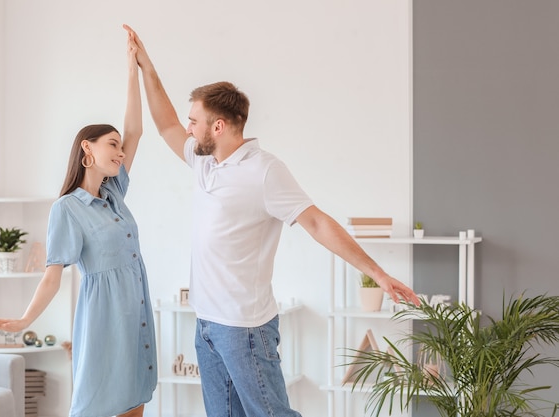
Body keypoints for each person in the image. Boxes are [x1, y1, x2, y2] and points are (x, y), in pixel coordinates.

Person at [126, 25, 419, 417]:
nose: (188, 127)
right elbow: (165, 125)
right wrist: (147, 66)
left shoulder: (264, 171)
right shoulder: (205, 162)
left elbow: (316, 223)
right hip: (207, 323)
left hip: (244, 330)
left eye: (195, 120)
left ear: (219, 126)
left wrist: (378, 274)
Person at [0, 25, 156, 417]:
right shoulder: (67, 209)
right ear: (87, 149)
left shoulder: (113, 195)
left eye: (120, 146)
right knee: (97, 406)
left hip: (136, 313)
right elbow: (52, 275)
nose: (121, 151)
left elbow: (136, 130)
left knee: (134, 406)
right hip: (104, 321)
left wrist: (134, 68)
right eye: (112, 145)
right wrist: (26, 319)